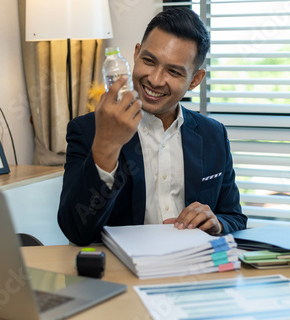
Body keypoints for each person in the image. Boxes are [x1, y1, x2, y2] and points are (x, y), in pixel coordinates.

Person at [58, 7, 247, 246]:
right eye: (149, 61)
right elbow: (76, 231)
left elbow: (235, 217)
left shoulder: (213, 135)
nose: (155, 80)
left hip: (193, 270)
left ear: (195, 80)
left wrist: (217, 223)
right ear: (136, 54)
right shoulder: (88, 131)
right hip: (121, 275)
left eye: (174, 71)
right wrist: (107, 145)